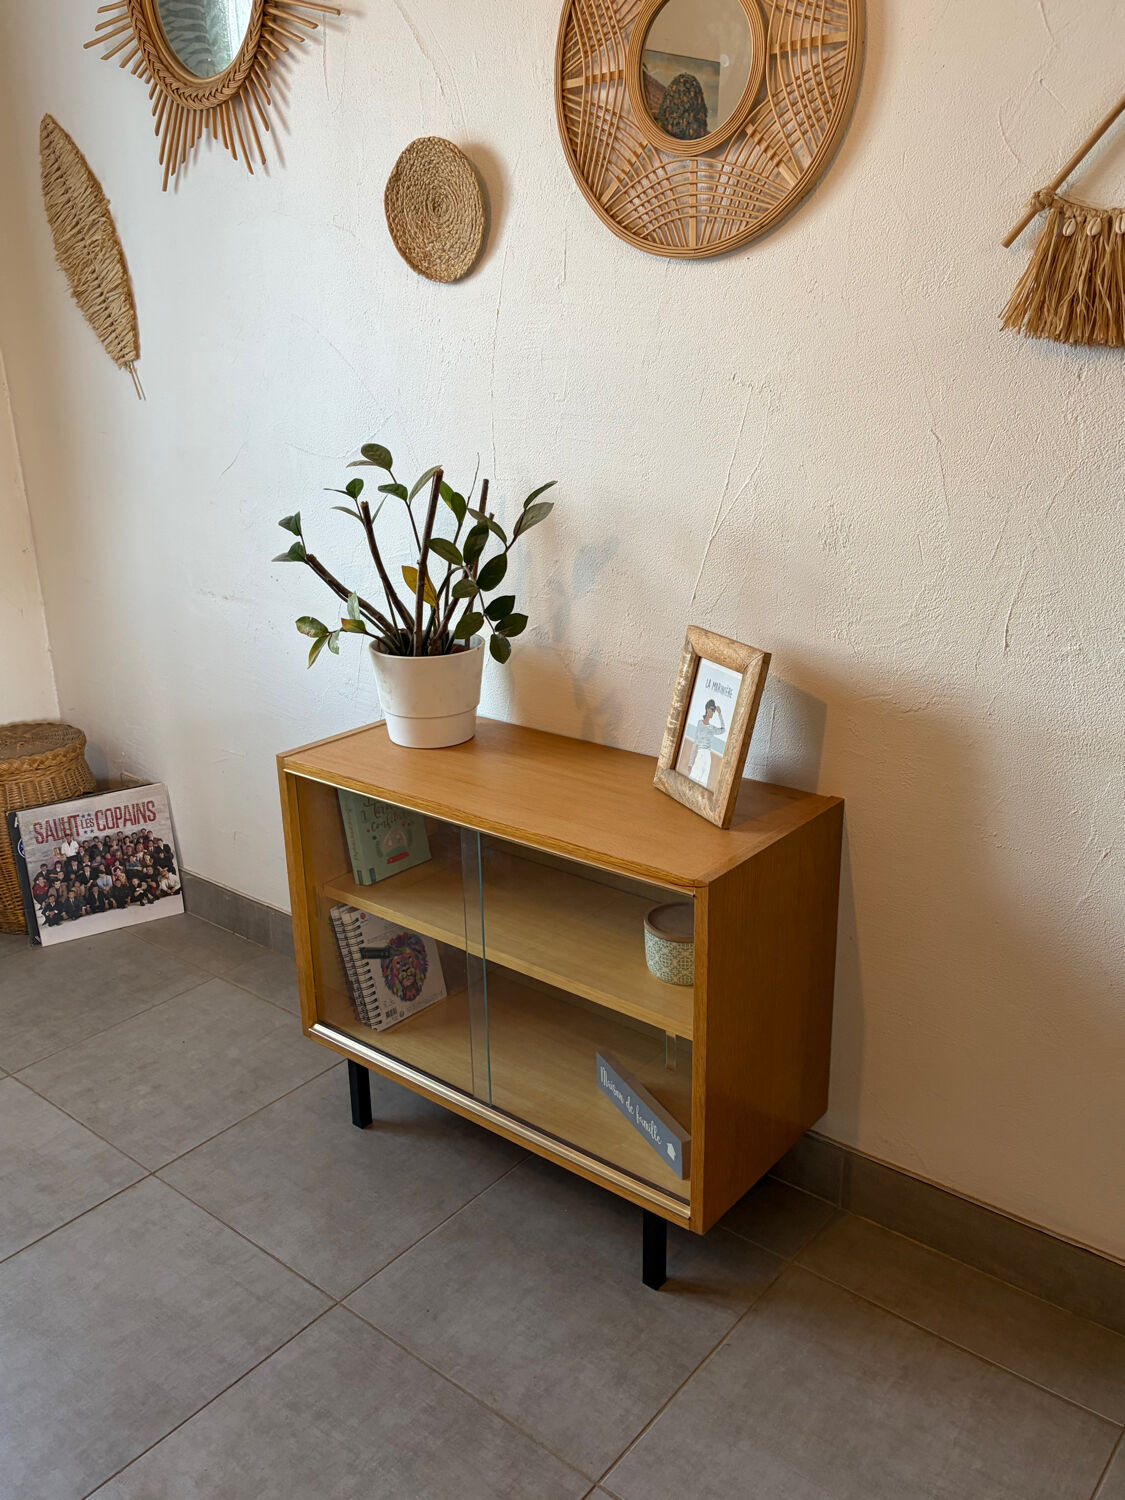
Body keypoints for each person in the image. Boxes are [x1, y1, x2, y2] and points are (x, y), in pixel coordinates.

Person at [687, 699, 725, 788]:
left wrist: (720, 714)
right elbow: (695, 743)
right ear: (707, 709)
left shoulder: (712, 728)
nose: (713, 712)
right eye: (712, 709)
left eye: (714, 711)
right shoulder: (699, 723)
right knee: (693, 779)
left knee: (703, 781)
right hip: (700, 754)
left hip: (708, 756)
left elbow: (723, 730)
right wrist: (690, 763)